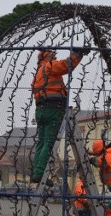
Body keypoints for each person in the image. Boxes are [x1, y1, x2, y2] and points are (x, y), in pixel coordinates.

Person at [30, 48, 88, 184]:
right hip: (53, 109)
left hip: (41, 109)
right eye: (52, 55)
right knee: (49, 142)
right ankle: (39, 173)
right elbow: (66, 65)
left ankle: (37, 173)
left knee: (42, 142)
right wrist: (77, 55)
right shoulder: (48, 66)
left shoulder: (38, 73)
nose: (54, 57)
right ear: (48, 56)